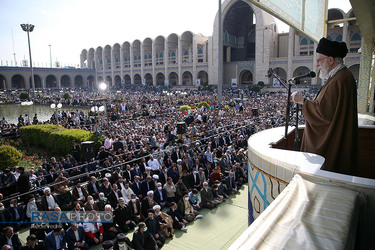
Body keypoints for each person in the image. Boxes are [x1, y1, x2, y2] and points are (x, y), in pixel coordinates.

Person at [292, 37, 358, 175]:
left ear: (330, 60)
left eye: (318, 60)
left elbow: (323, 115)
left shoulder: (338, 80)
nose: (317, 65)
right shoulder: (342, 76)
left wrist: (302, 101)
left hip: (332, 142)